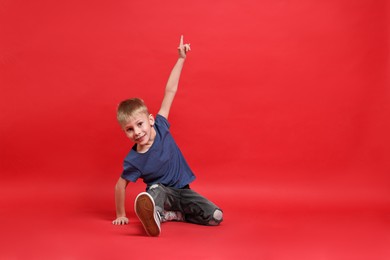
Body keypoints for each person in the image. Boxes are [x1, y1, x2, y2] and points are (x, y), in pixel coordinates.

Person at [112, 35, 223, 236]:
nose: (137, 132)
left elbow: (170, 91)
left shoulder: (161, 126)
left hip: (183, 191)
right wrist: (121, 214)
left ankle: (171, 215)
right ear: (125, 132)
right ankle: (156, 212)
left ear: (151, 120)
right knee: (156, 191)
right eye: (130, 129)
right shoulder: (134, 159)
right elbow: (120, 185)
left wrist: (181, 59)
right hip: (161, 192)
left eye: (139, 124)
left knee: (216, 216)